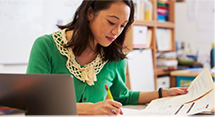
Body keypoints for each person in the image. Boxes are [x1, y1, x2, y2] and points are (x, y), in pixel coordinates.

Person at [26, 0, 188, 116]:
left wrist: (163, 94)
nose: (116, 32)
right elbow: (35, 102)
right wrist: (90, 109)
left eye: (123, 26)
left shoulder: (115, 57)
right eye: (112, 22)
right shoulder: (46, 47)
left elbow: (122, 97)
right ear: (90, 13)